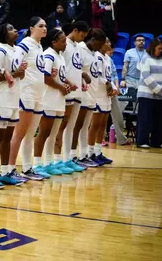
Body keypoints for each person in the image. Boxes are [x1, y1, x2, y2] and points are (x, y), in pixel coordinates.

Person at [33, 29, 81, 176]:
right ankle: (36, 164)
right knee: (44, 132)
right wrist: (61, 87)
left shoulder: (59, 56)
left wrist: (69, 83)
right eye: (62, 41)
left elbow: (60, 76)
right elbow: (46, 78)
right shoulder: (48, 55)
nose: (65, 43)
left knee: (53, 133)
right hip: (48, 99)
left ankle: (49, 162)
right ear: (54, 42)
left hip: (58, 99)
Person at [0, 23, 26, 188]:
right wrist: (15, 74)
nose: (15, 30)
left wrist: (17, 74)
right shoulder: (0, 50)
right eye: (10, 29)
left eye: (14, 28)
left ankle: (5, 172)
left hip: (14, 98)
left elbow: (16, 74)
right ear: (2, 33)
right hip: (1, 99)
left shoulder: (16, 50)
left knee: (7, 138)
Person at [7, 17, 48, 182]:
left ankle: (26, 167)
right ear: (32, 28)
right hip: (26, 94)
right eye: (41, 26)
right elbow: (13, 64)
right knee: (20, 133)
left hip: (39, 94)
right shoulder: (24, 44)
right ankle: (9, 169)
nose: (44, 28)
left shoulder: (39, 47)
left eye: (45, 26)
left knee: (31, 133)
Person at [54, 21, 91, 170]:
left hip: (77, 90)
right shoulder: (65, 44)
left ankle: (68, 158)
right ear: (75, 30)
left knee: (71, 126)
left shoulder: (78, 46)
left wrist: (81, 78)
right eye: (82, 34)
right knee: (62, 126)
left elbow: (76, 67)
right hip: (67, 91)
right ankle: (57, 159)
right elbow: (62, 68)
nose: (83, 38)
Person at [72, 29, 107, 166]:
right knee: (78, 125)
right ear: (92, 40)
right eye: (100, 44)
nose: (101, 47)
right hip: (83, 93)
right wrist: (81, 74)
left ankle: (84, 154)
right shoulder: (79, 49)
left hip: (92, 94)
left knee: (85, 126)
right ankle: (74, 155)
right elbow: (74, 68)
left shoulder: (94, 53)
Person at [87, 38, 115, 163]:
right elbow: (97, 77)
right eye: (107, 42)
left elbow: (109, 76)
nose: (109, 44)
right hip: (98, 93)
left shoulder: (108, 58)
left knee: (103, 124)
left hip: (106, 94)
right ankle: (90, 153)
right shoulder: (97, 57)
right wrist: (108, 84)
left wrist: (114, 88)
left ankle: (98, 152)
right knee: (95, 124)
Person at [136, 39, 162, 148]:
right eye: (158, 48)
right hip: (146, 94)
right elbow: (146, 75)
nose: (160, 51)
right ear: (153, 48)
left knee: (158, 120)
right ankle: (142, 141)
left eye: (161, 49)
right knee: (145, 118)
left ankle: (156, 141)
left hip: (160, 96)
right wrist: (158, 89)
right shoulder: (145, 58)